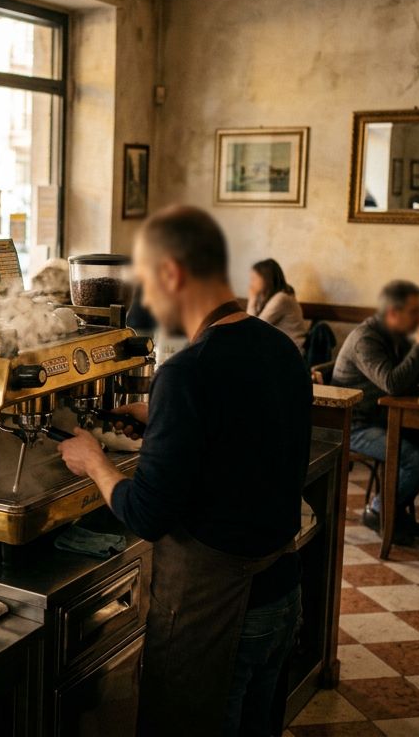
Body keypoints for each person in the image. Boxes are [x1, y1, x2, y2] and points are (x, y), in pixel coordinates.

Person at [57, 206, 310, 737]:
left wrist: (95, 463)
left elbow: (147, 514)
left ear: (172, 273)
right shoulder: (279, 349)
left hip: (218, 615)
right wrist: (163, 419)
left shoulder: (187, 372)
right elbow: (244, 437)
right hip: (282, 597)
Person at [332, 280, 419, 545]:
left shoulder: (395, 336)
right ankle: (378, 509)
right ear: (393, 313)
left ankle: (392, 510)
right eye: (414, 311)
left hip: (382, 418)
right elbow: (393, 383)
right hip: (355, 423)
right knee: (414, 459)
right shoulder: (366, 339)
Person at [246, 258, 309, 353]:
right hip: (279, 349)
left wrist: (252, 299)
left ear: (266, 278)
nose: (251, 284)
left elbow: (254, 329)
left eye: (254, 279)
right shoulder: (267, 298)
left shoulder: (281, 298)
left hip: (292, 353)